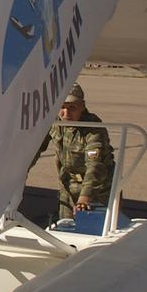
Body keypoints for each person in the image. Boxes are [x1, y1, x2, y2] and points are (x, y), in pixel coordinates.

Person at [36, 83, 116, 219]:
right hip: (69, 185)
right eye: (62, 107)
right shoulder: (55, 122)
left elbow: (95, 165)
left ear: (82, 106)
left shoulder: (93, 128)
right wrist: (20, 173)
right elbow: (36, 148)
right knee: (65, 227)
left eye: (72, 107)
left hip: (98, 189)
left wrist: (85, 197)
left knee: (93, 231)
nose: (66, 114)